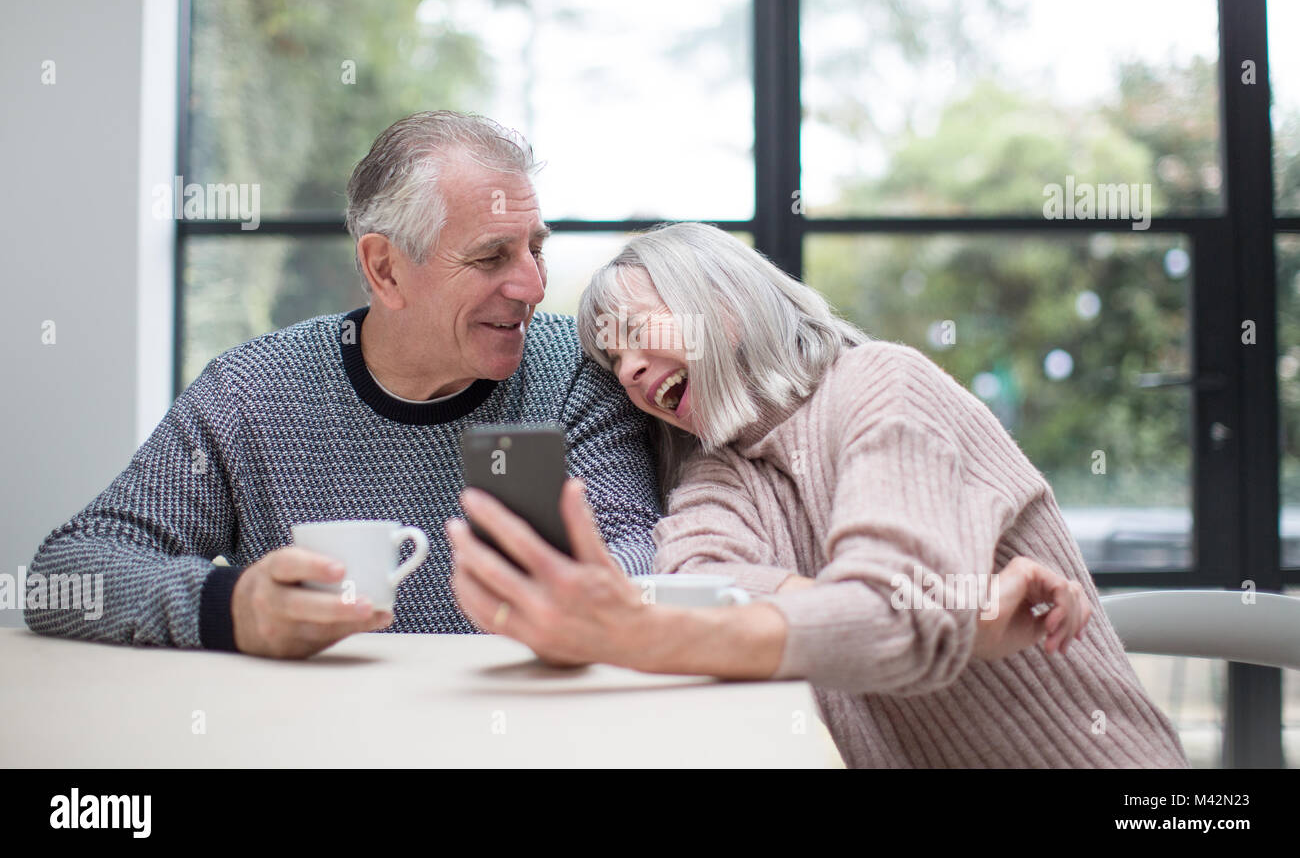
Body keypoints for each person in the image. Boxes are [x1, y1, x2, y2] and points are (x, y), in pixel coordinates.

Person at [448, 221, 1190, 768]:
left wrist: (637, 633)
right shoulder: (722, 471)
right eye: (615, 363)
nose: (634, 372)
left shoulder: (885, 388)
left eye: (640, 333)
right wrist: (929, 614)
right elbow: (695, 585)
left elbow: (883, 627)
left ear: (727, 299)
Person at [24, 111, 660, 658]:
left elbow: (644, 553)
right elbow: (68, 573)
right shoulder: (252, 393)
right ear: (384, 269)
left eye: (536, 249)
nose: (533, 286)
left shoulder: (575, 370)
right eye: (491, 256)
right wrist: (233, 607)